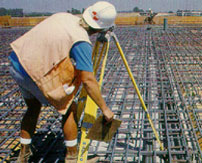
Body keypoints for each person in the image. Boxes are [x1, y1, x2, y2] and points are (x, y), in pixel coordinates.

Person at [9, 1, 117, 162]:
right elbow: (88, 80)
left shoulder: (64, 17)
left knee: (33, 107)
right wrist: (105, 108)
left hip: (16, 63)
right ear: (100, 29)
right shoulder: (81, 42)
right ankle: (72, 157)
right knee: (69, 109)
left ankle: (24, 153)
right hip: (33, 72)